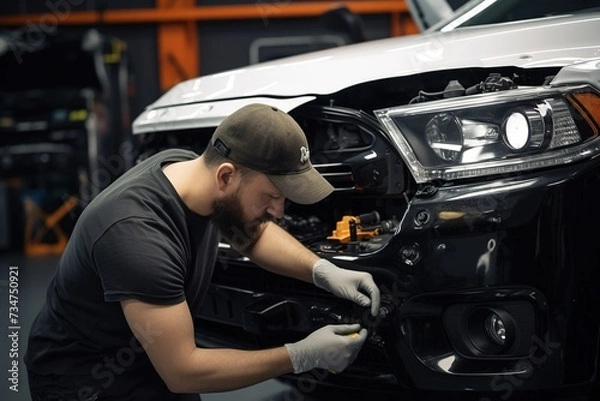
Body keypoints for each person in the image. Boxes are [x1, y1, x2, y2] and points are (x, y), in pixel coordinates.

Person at [25, 103, 381, 400]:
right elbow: (183, 371)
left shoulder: (191, 170)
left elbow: (252, 235)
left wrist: (323, 271)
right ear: (225, 177)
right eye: (272, 195)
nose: (279, 211)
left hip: (151, 360)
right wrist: (301, 356)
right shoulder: (136, 235)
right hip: (84, 379)